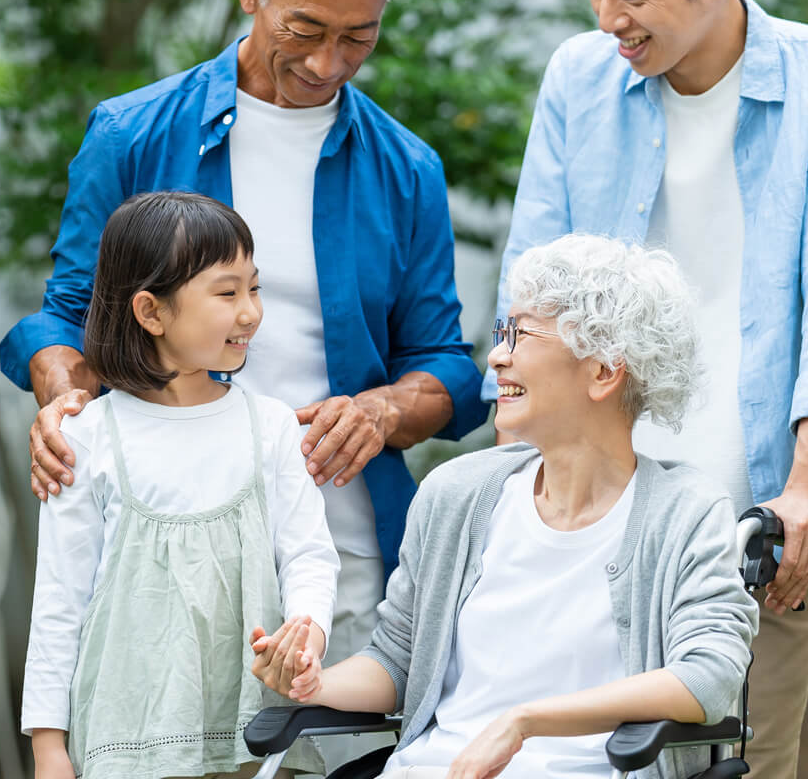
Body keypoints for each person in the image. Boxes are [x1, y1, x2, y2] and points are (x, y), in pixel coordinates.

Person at [1, 0, 487, 769]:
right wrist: (64, 402)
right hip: (160, 541)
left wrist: (381, 410)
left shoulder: (406, 168)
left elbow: (448, 367)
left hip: (332, 548)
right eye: (307, 28)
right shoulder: (132, 133)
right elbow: (65, 318)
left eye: (360, 36)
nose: (331, 61)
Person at [488, 0, 808, 776]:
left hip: (756, 513)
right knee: (563, 757)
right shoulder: (579, 79)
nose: (608, 19)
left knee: (739, 760)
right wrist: (512, 474)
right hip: (589, 503)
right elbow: (531, 284)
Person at [251, 234, 758, 779]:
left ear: (605, 371)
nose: (496, 356)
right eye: (501, 333)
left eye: (521, 335)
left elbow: (707, 678)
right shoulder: (456, 494)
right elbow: (397, 661)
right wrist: (315, 682)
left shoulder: (686, 512)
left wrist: (526, 721)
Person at [20, 191, 339, 779]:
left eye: (255, 287)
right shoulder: (87, 438)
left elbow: (309, 554)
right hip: (125, 739)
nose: (250, 312)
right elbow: (59, 604)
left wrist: (307, 632)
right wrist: (48, 747)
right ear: (151, 311)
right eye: (227, 292)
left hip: (254, 737)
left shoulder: (268, 427)